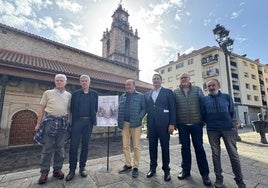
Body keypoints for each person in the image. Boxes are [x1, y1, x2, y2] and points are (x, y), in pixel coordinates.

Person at [201, 79, 246, 188]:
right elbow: (203, 114)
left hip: (228, 129)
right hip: (212, 130)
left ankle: (239, 180)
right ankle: (219, 179)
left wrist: (226, 122)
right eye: (209, 86)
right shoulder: (204, 99)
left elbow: (231, 112)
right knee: (215, 154)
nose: (211, 87)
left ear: (218, 85)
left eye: (213, 85)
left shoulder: (227, 97)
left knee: (233, 154)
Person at [173, 73, 211, 186]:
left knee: (199, 148)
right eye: (181, 78)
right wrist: (174, 123)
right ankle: (186, 170)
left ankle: (205, 174)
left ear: (189, 79)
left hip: (196, 124)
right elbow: (173, 108)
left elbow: (203, 104)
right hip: (182, 125)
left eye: (185, 78)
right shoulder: (175, 92)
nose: (183, 79)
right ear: (179, 80)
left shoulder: (197, 89)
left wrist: (204, 120)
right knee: (185, 148)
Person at [34, 74, 71, 185]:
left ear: (65, 82)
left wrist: (70, 123)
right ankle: (44, 172)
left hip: (63, 122)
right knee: (47, 149)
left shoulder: (69, 95)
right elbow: (41, 109)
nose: (59, 82)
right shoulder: (48, 93)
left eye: (61, 80)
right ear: (55, 82)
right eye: (57, 80)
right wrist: (38, 123)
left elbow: (69, 110)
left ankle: (57, 170)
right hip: (49, 122)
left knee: (60, 148)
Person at [65, 75, 98, 181]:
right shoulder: (75, 94)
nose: (84, 83)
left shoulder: (94, 94)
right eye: (82, 81)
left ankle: (82, 167)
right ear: (80, 83)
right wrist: (70, 122)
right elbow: (71, 109)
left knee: (85, 146)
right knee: (73, 147)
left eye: (86, 81)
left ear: (89, 82)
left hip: (88, 122)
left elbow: (96, 108)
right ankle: (72, 170)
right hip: (77, 122)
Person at [145, 74, 176, 181]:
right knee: (152, 148)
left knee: (165, 148)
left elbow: (172, 108)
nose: (155, 80)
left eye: (157, 79)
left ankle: (166, 170)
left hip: (164, 125)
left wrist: (172, 123)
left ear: (161, 81)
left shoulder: (168, 92)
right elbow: (147, 108)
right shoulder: (148, 93)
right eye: (154, 79)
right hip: (151, 125)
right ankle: (152, 169)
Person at [117, 79, 146, 178]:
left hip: (136, 124)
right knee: (125, 145)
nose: (127, 87)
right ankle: (128, 164)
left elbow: (144, 108)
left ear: (134, 86)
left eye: (129, 85)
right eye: (126, 85)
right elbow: (120, 108)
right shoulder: (123, 96)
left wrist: (139, 117)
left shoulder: (140, 96)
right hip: (125, 123)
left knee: (136, 146)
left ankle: (136, 167)